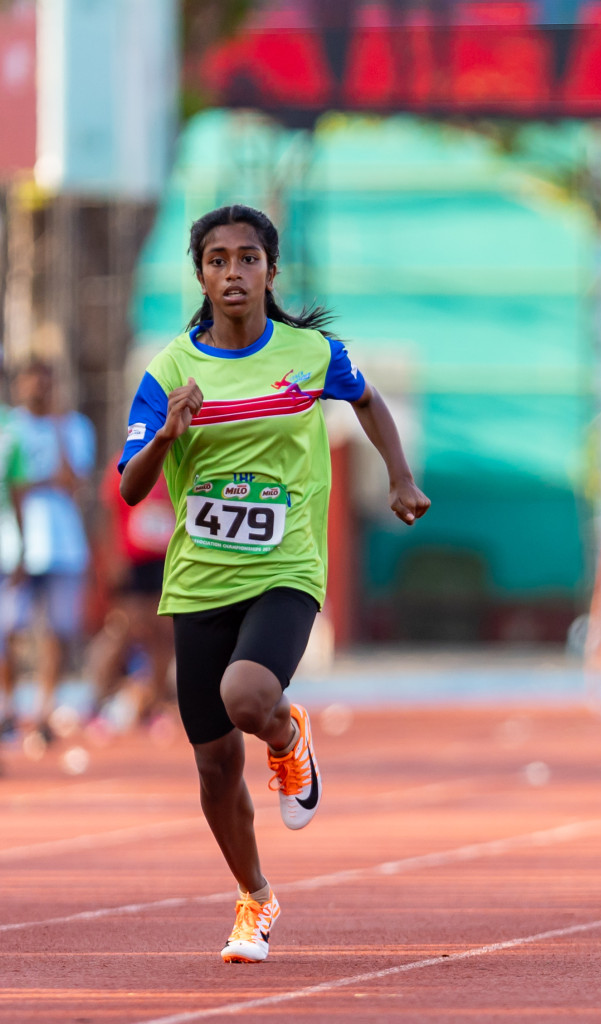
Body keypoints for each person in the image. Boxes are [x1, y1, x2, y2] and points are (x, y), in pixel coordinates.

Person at [118, 204, 430, 963]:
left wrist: (400, 475)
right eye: (219, 259)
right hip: (199, 580)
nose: (234, 272)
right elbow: (129, 489)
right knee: (214, 764)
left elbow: (366, 399)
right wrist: (167, 436)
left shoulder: (311, 353)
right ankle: (255, 898)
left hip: (286, 567)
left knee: (248, 697)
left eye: (248, 259)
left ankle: (290, 738)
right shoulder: (169, 373)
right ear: (200, 273)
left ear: (270, 271)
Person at [0, 360, 94, 747]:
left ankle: (43, 710)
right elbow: (14, 484)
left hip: (63, 545)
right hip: (13, 546)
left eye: (46, 383)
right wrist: (42, 482)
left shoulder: (73, 426)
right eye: (32, 383)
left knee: (57, 631)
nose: (39, 390)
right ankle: (7, 708)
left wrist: (56, 428)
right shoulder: (10, 425)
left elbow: (73, 481)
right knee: (9, 630)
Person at [86, 466, 176, 730]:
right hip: (132, 562)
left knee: (163, 635)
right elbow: (110, 516)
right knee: (122, 629)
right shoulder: (122, 464)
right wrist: (113, 563)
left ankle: (156, 703)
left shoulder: (177, 460)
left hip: (164, 561)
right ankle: (99, 699)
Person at [0, 399, 28, 741]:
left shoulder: (11, 429)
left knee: (5, 635)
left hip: (5, 545)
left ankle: (6, 710)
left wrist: (21, 545)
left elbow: (18, 491)